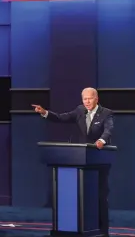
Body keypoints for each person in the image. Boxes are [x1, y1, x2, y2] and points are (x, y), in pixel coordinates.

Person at [32, 87, 114, 235]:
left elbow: (109, 129)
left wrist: (102, 140)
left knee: (100, 196)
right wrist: (45, 113)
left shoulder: (106, 113)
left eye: (89, 98)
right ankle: (78, 228)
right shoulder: (79, 111)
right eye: (84, 99)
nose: (87, 102)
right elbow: (61, 117)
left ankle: (103, 231)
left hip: (98, 161)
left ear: (97, 99)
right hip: (80, 159)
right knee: (80, 196)